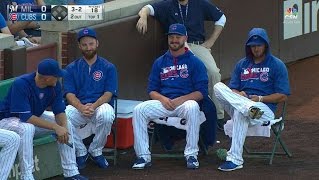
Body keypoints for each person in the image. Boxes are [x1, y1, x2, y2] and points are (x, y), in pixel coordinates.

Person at [136, 0, 227, 129]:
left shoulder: (200, 3)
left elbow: (221, 18)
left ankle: (218, 116)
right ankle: (173, 113)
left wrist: (211, 41)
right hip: (175, 46)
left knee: (213, 72)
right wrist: (143, 16)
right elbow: (147, 8)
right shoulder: (168, 4)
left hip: (196, 45)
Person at [132, 23, 208, 170]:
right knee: (138, 110)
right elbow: (151, 90)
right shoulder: (159, 62)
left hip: (184, 104)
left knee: (193, 106)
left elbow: (201, 92)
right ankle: (143, 156)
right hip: (164, 103)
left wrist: (180, 100)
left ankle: (191, 154)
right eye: (171, 37)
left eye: (177, 37)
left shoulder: (195, 62)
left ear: (185, 38)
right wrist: (163, 99)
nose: (174, 40)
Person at [214, 28, 290, 171]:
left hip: (264, 109)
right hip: (244, 105)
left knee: (241, 113)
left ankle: (235, 159)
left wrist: (260, 99)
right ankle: (247, 108)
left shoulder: (277, 65)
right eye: (253, 46)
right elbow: (233, 90)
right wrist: (239, 94)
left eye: (259, 45)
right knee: (218, 86)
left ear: (265, 45)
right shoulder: (241, 64)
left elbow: (283, 95)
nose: (255, 49)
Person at [0, 59, 87, 180]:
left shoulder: (54, 86)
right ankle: (27, 176)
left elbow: (59, 111)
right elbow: (26, 117)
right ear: (47, 78)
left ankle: (71, 172)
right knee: (27, 128)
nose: (59, 78)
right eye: (56, 76)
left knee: (67, 124)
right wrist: (56, 127)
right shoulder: (22, 84)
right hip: (7, 121)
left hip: (33, 118)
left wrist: (64, 129)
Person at [64, 27, 118, 169]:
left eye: (91, 44)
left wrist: (93, 106)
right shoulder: (71, 68)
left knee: (107, 114)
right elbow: (69, 94)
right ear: (79, 46)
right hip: (79, 107)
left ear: (97, 44)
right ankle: (81, 151)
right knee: (64, 117)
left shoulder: (108, 67)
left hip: (99, 106)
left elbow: (108, 94)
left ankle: (95, 150)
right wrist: (81, 107)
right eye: (84, 44)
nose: (88, 47)